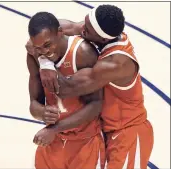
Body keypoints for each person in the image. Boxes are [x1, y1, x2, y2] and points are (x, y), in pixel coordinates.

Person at [26, 5, 154, 169]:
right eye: (85, 23)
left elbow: (65, 89)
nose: (80, 29)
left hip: (128, 131)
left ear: (103, 39)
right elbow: (38, 37)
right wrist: (43, 51)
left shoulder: (115, 64)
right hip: (108, 131)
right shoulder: (101, 30)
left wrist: (44, 62)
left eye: (86, 30)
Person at [27, 12, 106, 169]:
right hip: (53, 140)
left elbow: (96, 104)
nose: (44, 52)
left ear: (60, 32)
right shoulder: (35, 55)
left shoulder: (83, 53)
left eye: (48, 45)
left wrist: (55, 128)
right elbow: (33, 104)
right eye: (38, 48)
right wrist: (41, 112)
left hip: (84, 141)